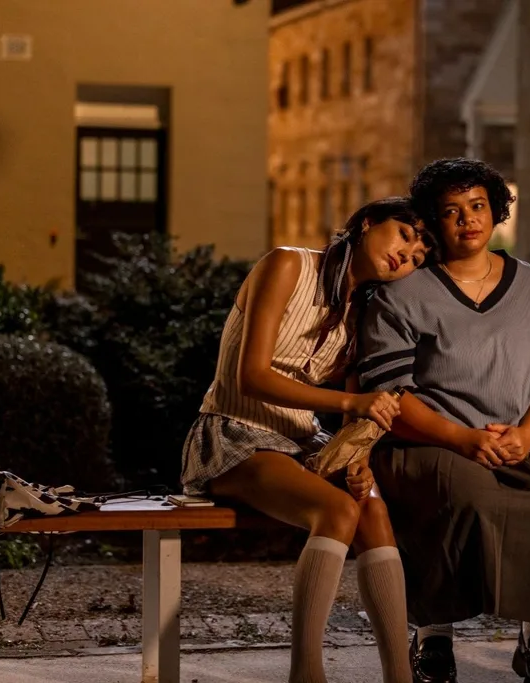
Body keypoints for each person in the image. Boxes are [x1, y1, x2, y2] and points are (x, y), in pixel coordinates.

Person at [357, 159, 530, 683]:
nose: (467, 220)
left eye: (477, 207)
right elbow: (392, 396)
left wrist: (527, 435)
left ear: (495, 211)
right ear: (431, 221)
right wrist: (463, 439)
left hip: (521, 437)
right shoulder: (402, 295)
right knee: (465, 496)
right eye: (450, 212)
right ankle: (433, 637)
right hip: (429, 439)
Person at [180, 197, 437, 683]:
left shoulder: (363, 313)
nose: (408, 256)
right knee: (338, 510)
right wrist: (350, 406)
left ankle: (400, 677)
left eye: (420, 256)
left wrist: (356, 457)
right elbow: (251, 375)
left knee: (373, 507)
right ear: (367, 223)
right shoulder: (286, 264)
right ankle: (307, 673)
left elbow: (360, 411)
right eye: (405, 235)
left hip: (303, 442)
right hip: (234, 431)